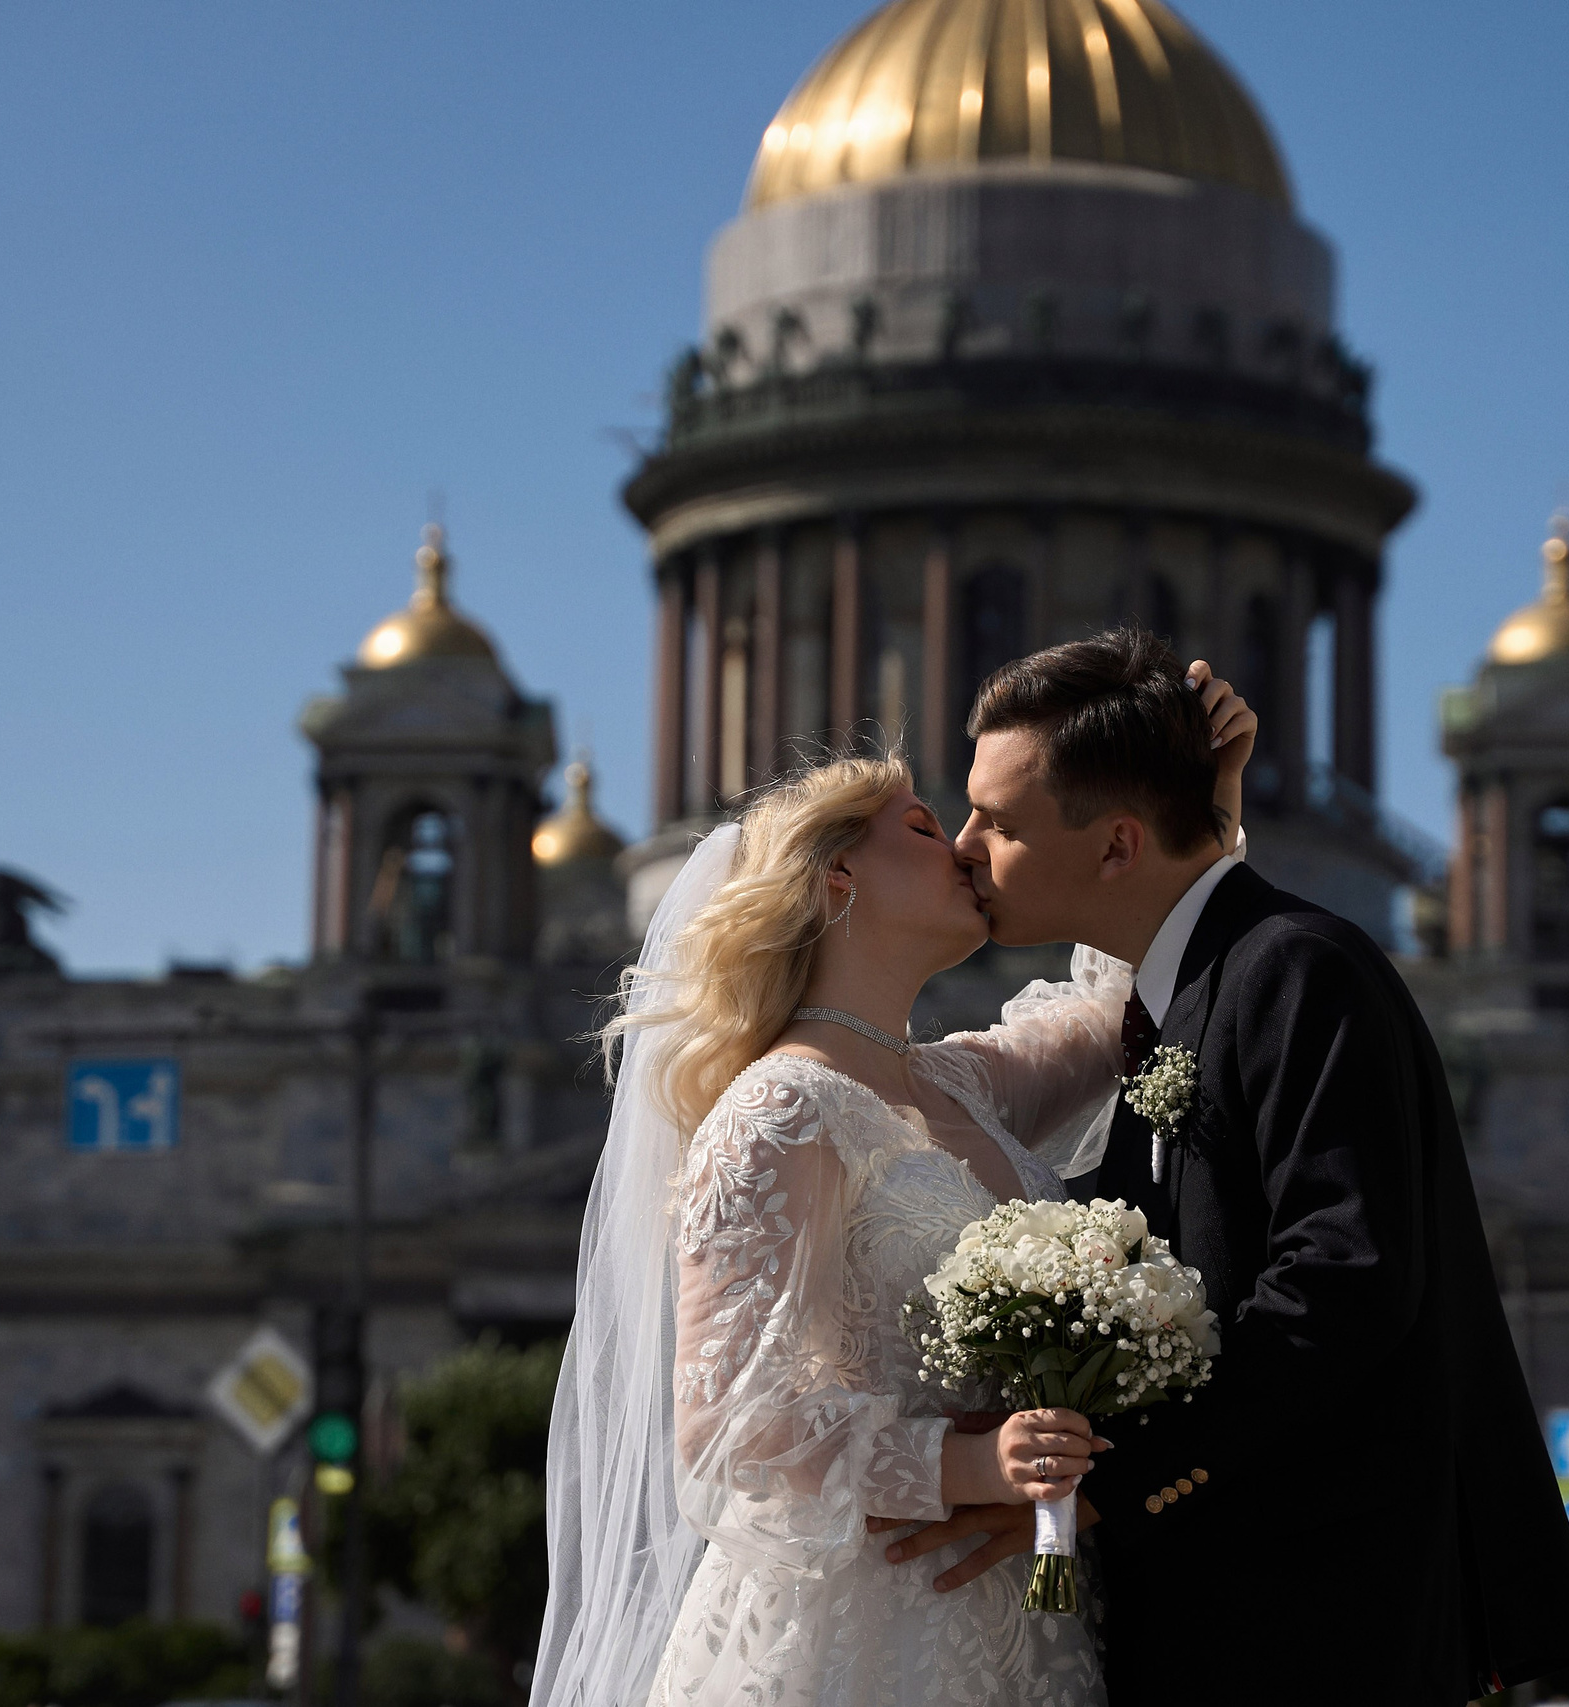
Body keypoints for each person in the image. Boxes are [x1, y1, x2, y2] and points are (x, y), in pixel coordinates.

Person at [880, 627, 1569, 1701]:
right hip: (1229, 1606)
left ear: (1116, 848)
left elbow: (1342, 1282)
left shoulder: (1297, 971)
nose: (967, 846)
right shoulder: (1179, 991)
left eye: (1002, 821)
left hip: (1314, 1621)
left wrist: (1115, 1481)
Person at [527, 663, 1258, 1706]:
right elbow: (730, 1430)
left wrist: (1198, 802)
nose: (965, 846)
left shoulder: (956, 1081)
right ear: (838, 877)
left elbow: (1116, 1009)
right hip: (863, 1628)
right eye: (923, 827)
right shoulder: (777, 1110)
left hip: (1023, 1614)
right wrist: (972, 1468)